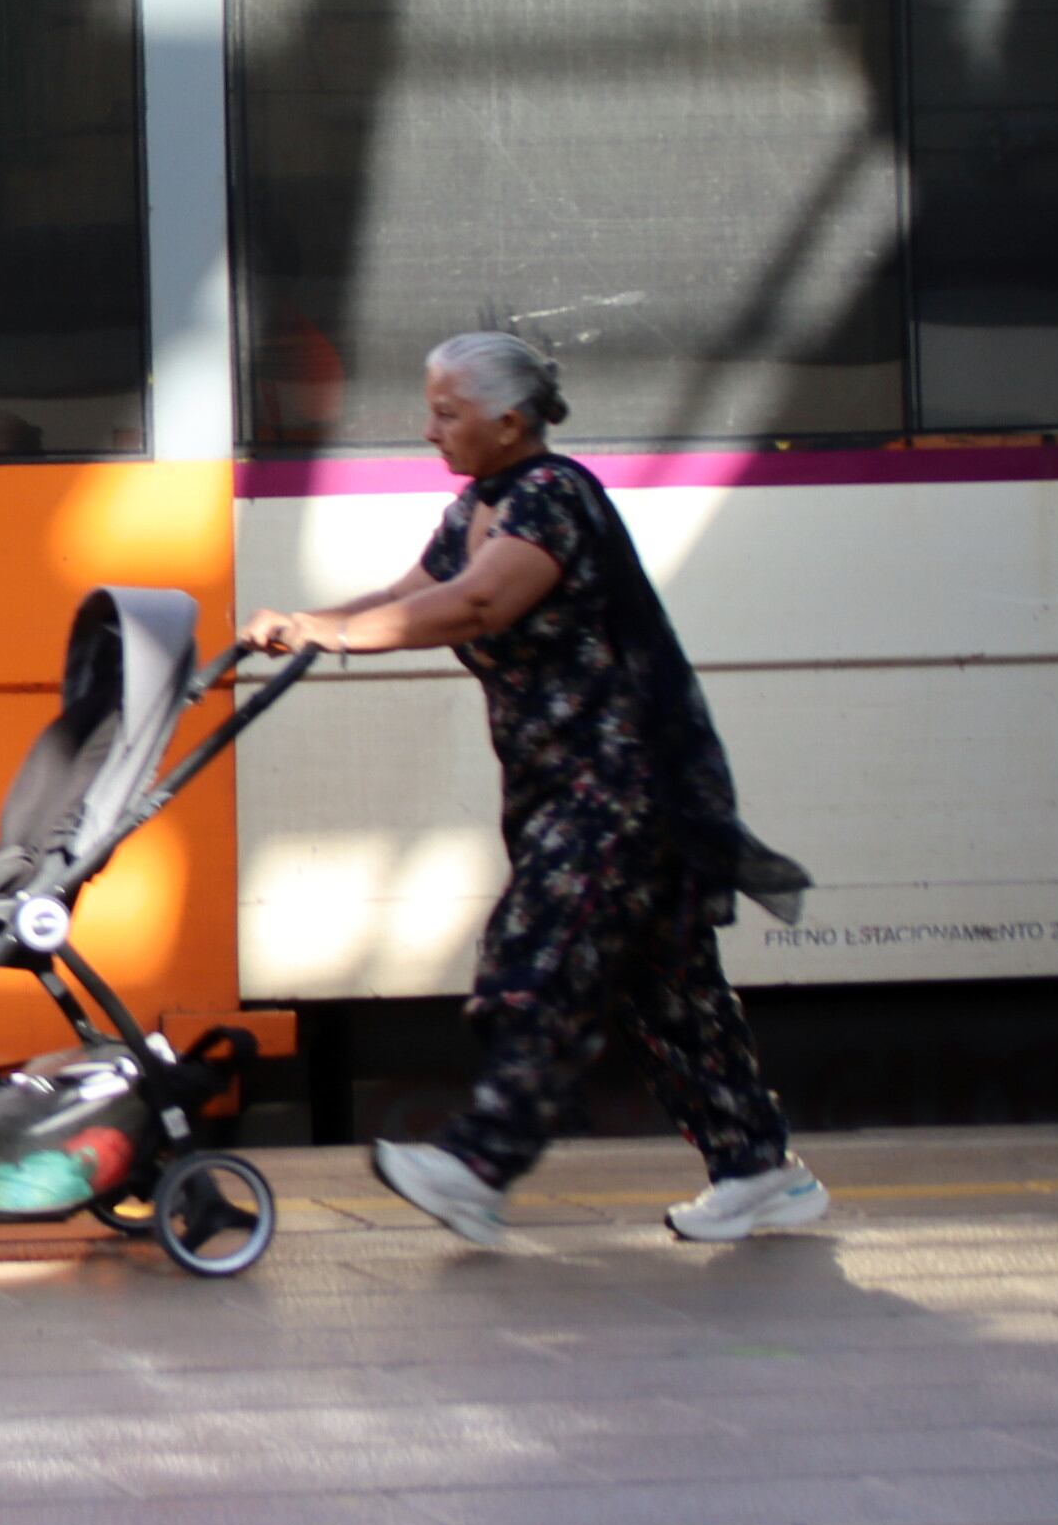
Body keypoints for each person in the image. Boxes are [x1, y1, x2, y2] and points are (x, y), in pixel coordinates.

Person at [242, 331, 828, 1250]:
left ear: (510, 421)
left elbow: (477, 605)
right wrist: (301, 623)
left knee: (542, 949)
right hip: (560, 782)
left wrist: (334, 636)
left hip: (627, 779)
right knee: (669, 993)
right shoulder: (479, 507)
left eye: (447, 413)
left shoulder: (553, 497)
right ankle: (759, 1170)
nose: (429, 430)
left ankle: (481, 1165)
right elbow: (411, 593)